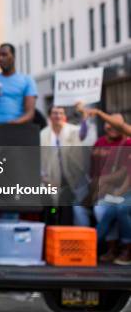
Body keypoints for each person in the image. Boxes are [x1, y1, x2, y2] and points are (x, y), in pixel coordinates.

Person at [85, 114, 131, 263]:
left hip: (123, 191)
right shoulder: (101, 143)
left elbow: (123, 174)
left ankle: (127, 248)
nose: (112, 128)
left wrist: (119, 191)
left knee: (121, 209)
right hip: (121, 190)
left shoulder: (127, 143)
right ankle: (89, 249)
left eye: (117, 125)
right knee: (104, 208)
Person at [40, 106, 92, 225]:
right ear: (50, 117)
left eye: (61, 113)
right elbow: (39, 158)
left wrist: (84, 117)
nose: (58, 116)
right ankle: (54, 229)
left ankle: (76, 235)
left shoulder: (73, 130)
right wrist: (44, 177)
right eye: (55, 113)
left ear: (65, 117)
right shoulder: (43, 134)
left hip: (73, 180)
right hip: (52, 180)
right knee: (53, 209)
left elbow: (83, 133)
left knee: (74, 209)